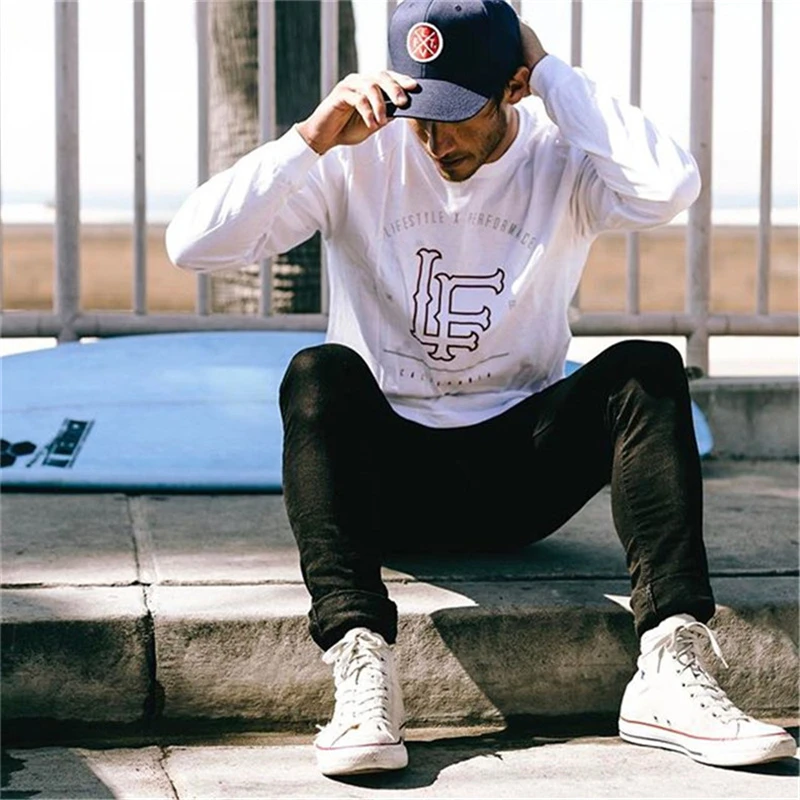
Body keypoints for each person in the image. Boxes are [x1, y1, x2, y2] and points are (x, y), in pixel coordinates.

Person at [166, 0, 796, 778]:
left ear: (512, 89)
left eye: (457, 115)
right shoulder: (359, 158)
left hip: (520, 478)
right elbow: (193, 245)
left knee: (648, 368)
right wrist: (312, 137)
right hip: (386, 486)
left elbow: (669, 186)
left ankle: (668, 669)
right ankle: (361, 663)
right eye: (421, 115)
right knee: (317, 373)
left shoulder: (561, 162)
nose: (435, 141)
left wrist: (554, 74)